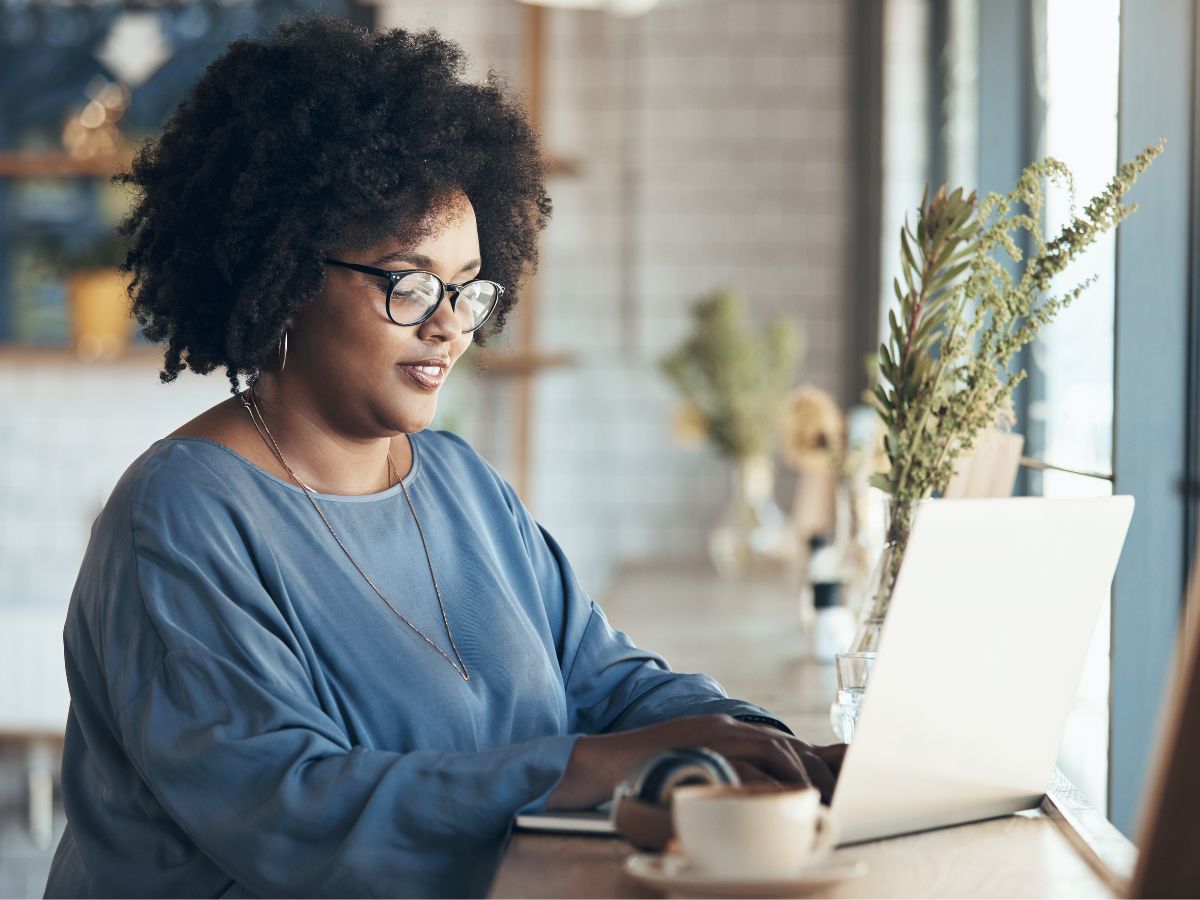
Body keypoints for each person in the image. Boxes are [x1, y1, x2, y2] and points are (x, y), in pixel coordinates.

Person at [44, 16, 842, 899]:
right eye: (408, 281)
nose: (450, 322)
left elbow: (608, 683)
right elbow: (290, 810)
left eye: (469, 286)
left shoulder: (461, 484)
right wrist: (594, 766)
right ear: (285, 275)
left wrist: (772, 745)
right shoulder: (180, 515)